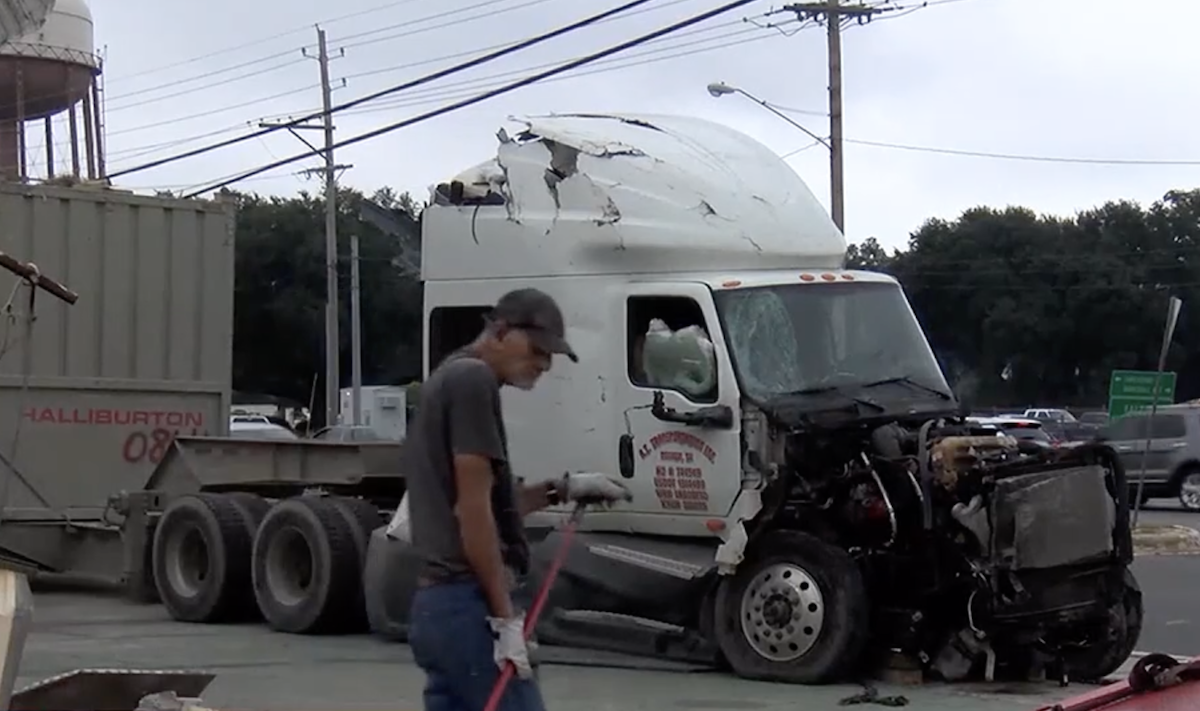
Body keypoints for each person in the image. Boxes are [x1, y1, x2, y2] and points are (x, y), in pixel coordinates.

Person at [405, 287, 632, 711]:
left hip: (436, 610)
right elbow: (473, 515)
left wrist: (563, 490)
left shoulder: (448, 378)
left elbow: (489, 505)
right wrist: (505, 618)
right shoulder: (473, 381)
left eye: (551, 355)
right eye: (538, 349)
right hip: (463, 606)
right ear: (500, 330)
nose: (544, 364)